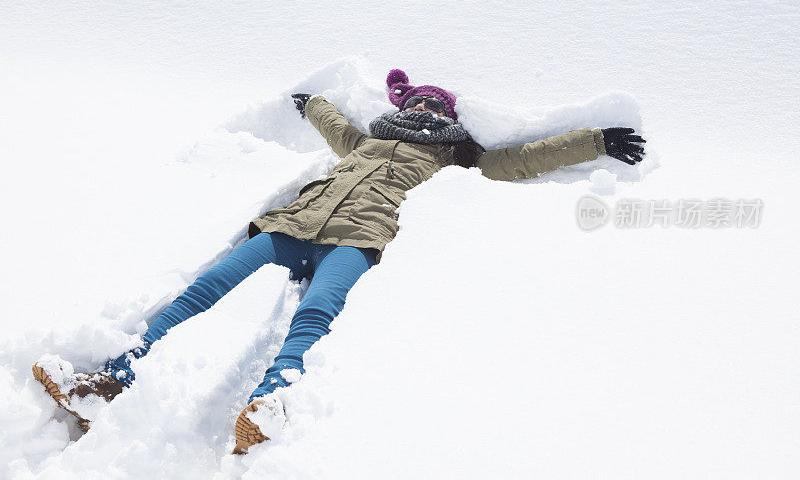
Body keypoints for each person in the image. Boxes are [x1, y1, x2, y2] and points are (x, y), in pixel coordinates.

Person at [32, 69, 646, 453]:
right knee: (204, 288)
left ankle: (267, 403)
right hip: (291, 225)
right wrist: (310, 101)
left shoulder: (457, 155)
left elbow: (520, 159)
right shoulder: (367, 138)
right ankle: (110, 378)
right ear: (407, 106)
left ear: (449, 117)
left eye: (438, 108)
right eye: (422, 104)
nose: (427, 113)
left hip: (359, 238)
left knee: (316, 313)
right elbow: (334, 123)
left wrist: (595, 141)